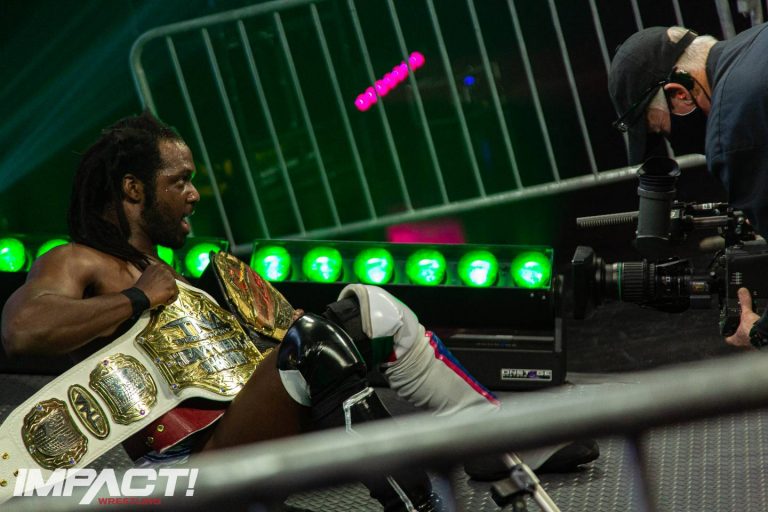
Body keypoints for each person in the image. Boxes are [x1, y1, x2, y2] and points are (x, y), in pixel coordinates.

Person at [0, 112, 594, 506]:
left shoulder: (176, 276)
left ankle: (494, 441)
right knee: (315, 343)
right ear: (133, 189)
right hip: (188, 469)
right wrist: (136, 298)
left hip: (249, 435)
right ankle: (424, 505)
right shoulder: (79, 260)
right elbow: (21, 330)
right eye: (179, 181)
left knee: (368, 308)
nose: (195, 194)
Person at [607, 23, 768, 349]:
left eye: (663, 130)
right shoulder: (757, 39)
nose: (674, 139)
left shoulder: (733, 129)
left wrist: (759, 331)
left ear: (679, 93)